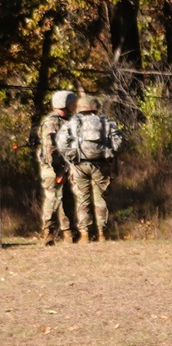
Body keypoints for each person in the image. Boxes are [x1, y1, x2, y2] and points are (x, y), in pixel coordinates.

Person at [56, 95, 124, 243]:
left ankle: (85, 235)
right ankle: (102, 234)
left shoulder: (73, 122)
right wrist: (109, 153)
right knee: (100, 199)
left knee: (82, 199)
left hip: (79, 165)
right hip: (101, 165)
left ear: (80, 108)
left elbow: (61, 143)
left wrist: (72, 155)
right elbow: (118, 141)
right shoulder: (106, 122)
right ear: (95, 107)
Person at [37, 90, 77, 245]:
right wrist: (58, 167)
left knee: (67, 199)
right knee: (52, 199)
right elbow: (50, 147)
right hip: (53, 168)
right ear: (64, 104)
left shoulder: (68, 120)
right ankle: (48, 234)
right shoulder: (52, 122)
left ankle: (68, 234)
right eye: (71, 102)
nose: (74, 105)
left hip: (66, 166)